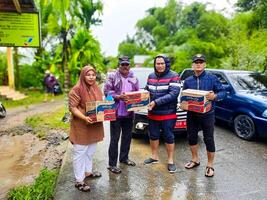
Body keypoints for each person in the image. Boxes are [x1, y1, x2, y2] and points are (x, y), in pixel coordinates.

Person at [183, 54, 226, 177]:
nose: (198, 64)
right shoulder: (188, 81)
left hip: (208, 114)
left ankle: (210, 165)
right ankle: (195, 160)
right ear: (192, 65)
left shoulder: (212, 78)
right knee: (191, 137)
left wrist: (215, 96)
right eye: (196, 62)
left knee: (208, 139)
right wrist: (183, 104)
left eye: (201, 62)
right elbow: (185, 96)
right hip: (192, 114)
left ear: (205, 64)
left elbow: (223, 92)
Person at [68, 65, 104, 192]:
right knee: (80, 152)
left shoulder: (96, 88)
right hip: (82, 125)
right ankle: (79, 180)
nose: (91, 77)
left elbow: (101, 104)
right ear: (83, 76)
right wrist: (84, 117)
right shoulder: (76, 89)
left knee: (90, 151)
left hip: (94, 125)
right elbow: (73, 108)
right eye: (88, 75)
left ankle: (88, 172)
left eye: (93, 75)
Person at [143, 54, 180, 173]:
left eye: (162, 63)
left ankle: (170, 161)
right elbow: (147, 90)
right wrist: (138, 97)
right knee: (153, 135)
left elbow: (173, 94)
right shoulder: (151, 76)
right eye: (157, 63)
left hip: (168, 113)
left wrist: (156, 102)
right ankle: (154, 156)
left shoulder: (174, 76)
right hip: (153, 113)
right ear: (155, 64)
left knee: (168, 137)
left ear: (166, 64)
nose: (159, 66)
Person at [104, 56, 139, 174]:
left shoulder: (134, 78)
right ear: (119, 65)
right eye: (122, 64)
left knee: (127, 137)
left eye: (127, 64)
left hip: (129, 113)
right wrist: (118, 97)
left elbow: (137, 94)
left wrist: (134, 98)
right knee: (114, 139)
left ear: (129, 66)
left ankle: (124, 158)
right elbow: (106, 93)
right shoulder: (112, 77)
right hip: (116, 113)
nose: (125, 67)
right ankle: (112, 164)